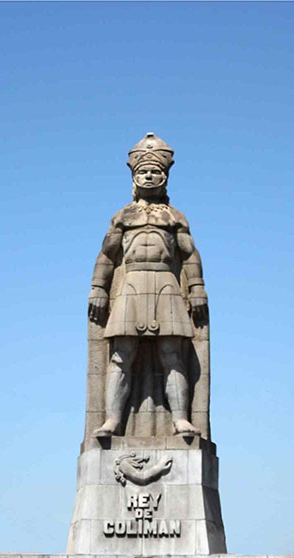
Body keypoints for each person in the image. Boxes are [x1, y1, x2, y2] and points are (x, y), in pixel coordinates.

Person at [88, 133, 208, 438]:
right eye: (143, 171)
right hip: (131, 283)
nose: (150, 175)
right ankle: (112, 421)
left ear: (165, 177)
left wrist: (196, 288)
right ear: (134, 176)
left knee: (172, 354)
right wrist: (99, 289)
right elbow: (107, 255)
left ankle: (180, 419)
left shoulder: (175, 217)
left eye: (156, 171)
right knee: (121, 355)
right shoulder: (122, 216)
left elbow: (189, 254)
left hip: (166, 284)